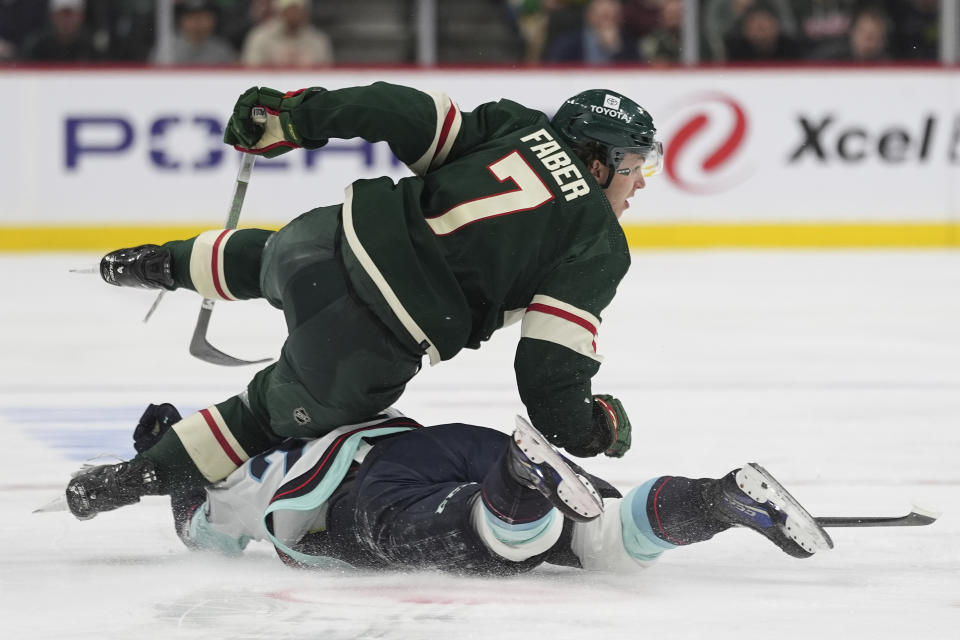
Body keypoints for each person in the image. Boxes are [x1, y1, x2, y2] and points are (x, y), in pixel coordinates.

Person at [66, 81, 663, 520]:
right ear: (596, 160)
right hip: (367, 342)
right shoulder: (598, 242)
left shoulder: (517, 125)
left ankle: (148, 263)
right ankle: (123, 481)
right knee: (259, 416)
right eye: (635, 168)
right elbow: (547, 374)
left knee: (269, 256)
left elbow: (396, 110)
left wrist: (296, 118)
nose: (639, 186)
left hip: (324, 240)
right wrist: (591, 430)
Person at [74, 402, 832, 574]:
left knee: (482, 537)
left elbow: (197, 530)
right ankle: (718, 499)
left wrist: (150, 468)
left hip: (359, 491)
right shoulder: (287, 406)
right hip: (440, 441)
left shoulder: (231, 482)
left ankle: (520, 482)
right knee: (605, 542)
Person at [241, 0, 333, 67]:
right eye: (290, 10)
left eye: (298, 10)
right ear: (279, 12)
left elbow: (326, 71)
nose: (294, 15)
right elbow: (251, 69)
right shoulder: (259, 37)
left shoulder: (318, 40)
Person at [544, 0, 642, 64]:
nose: (607, 23)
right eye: (603, 16)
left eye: (613, 17)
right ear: (590, 16)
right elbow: (554, 69)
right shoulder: (568, 43)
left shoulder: (629, 44)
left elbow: (635, 73)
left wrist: (615, 49)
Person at [154, 0, 236, 65]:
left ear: (213, 20)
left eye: (203, 17)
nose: (198, 22)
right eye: (191, 17)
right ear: (180, 21)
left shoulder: (222, 50)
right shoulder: (168, 49)